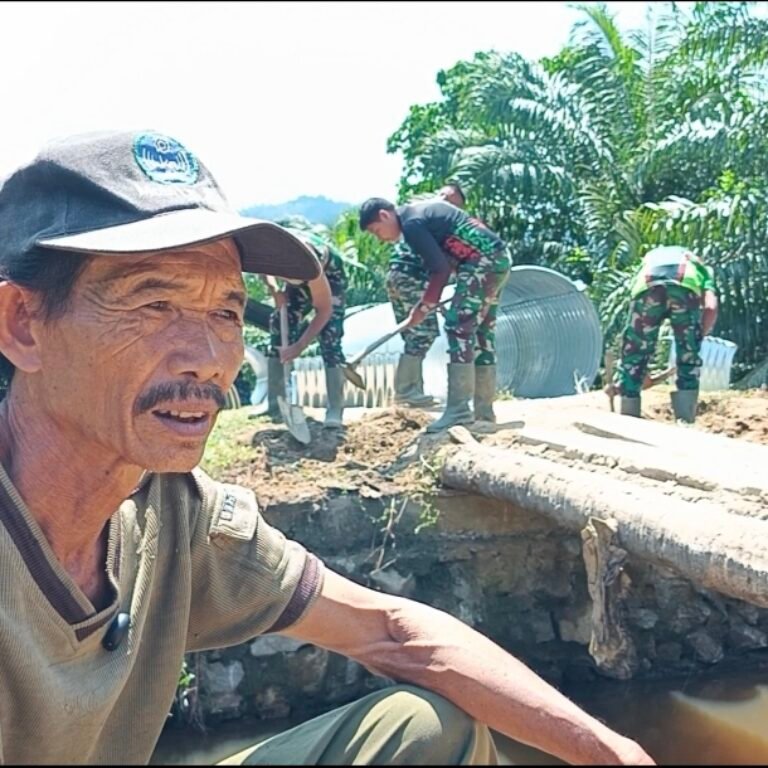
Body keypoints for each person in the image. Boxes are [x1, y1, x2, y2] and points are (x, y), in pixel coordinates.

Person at [0, 129, 654, 766]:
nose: (207, 360)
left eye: (226, 313)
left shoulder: (172, 512)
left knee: (419, 732)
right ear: (22, 325)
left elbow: (392, 633)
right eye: (152, 303)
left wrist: (612, 753)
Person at [359, 196, 511, 432]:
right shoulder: (422, 215)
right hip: (497, 258)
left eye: (376, 231)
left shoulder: (411, 224)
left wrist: (424, 307)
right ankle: (484, 413)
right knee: (481, 331)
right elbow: (446, 262)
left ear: (384, 215)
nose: (379, 238)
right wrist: (429, 301)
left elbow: (439, 269)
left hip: (481, 262)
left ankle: (459, 411)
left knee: (457, 328)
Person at [614, 245, 718, 423]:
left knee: (635, 353)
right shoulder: (699, 267)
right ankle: (685, 421)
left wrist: (637, 367)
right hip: (684, 289)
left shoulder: (648, 261)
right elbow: (710, 307)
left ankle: (628, 417)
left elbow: (634, 325)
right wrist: (697, 337)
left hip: (646, 288)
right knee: (688, 357)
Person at [264, 226, 347, 428]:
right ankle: (276, 403)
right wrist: (274, 290)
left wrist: (300, 346)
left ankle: (335, 408)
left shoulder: (310, 263)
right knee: (279, 323)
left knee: (330, 336)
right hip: (298, 282)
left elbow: (324, 310)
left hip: (330, 277)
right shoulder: (268, 250)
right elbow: (264, 271)